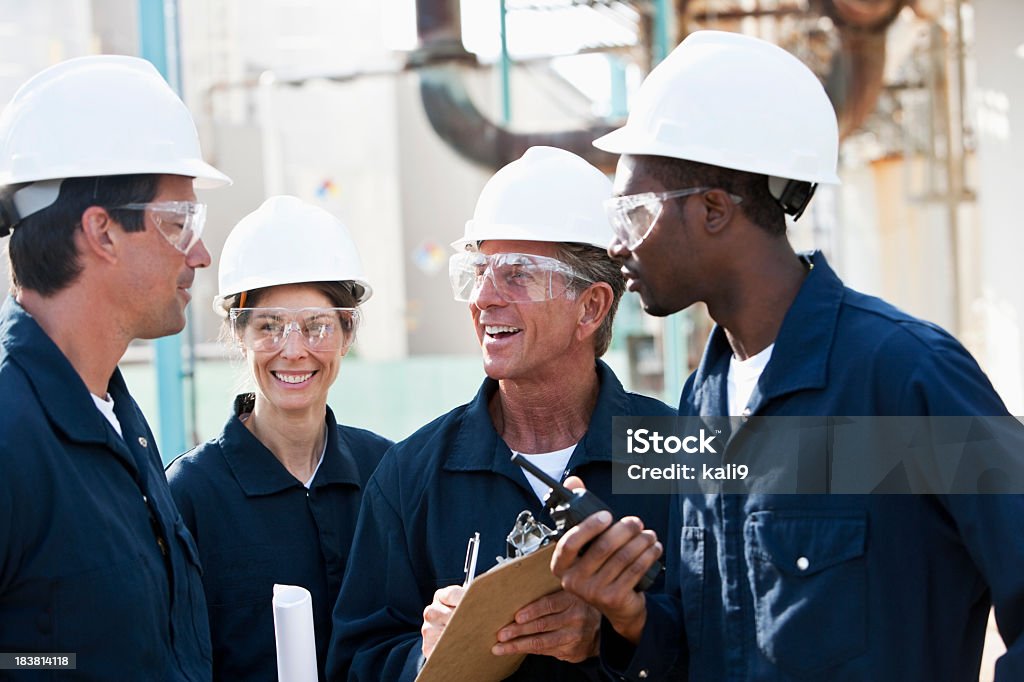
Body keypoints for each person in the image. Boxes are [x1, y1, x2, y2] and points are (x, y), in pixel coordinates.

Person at [550, 30, 1024, 680]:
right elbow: (710, 639)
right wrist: (630, 615)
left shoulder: (905, 375)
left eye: (633, 212)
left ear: (714, 210)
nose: (618, 243)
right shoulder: (701, 402)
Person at [326, 146, 675, 681]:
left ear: (592, 307)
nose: (484, 297)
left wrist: (621, 632)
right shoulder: (410, 477)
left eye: (517, 273)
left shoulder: (679, 451)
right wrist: (428, 657)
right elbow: (354, 664)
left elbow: (734, 636)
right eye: (477, 270)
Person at [0, 56, 230, 679]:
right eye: (179, 223)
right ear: (102, 231)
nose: (201, 253)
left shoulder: (117, 421)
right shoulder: (10, 433)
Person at [165, 196, 392, 681]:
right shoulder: (190, 493)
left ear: (347, 332)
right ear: (237, 333)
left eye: (317, 327)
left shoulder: (388, 473)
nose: (294, 351)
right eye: (269, 326)